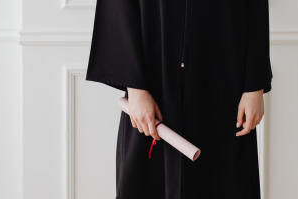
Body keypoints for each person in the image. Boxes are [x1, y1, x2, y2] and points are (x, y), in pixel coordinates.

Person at [85, 0, 273, 198]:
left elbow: (256, 6)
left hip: (225, 81)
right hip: (153, 87)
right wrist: (136, 88)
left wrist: (254, 85)